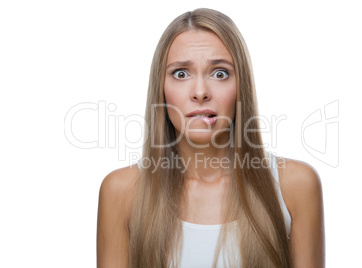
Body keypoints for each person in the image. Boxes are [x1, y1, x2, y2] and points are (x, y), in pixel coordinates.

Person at [97, 8, 325, 268]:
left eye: (220, 73)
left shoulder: (294, 186)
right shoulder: (121, 191)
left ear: (242, 87)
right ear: (161, 89)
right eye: (181, 73)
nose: (200, 92)